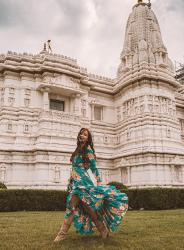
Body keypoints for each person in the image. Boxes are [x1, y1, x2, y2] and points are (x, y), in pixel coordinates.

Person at [54, 128, 128, 242]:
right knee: (88, 209)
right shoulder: (78, 149)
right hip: (76, 183)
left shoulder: (88, 150)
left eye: (85, 135)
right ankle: (103, 230)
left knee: (72, 206)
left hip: (83, 184)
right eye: (81, 134)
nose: (82, 136)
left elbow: (93, 168)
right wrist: (71, 181)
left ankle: (61, 235)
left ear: (88, 139)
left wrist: (98, 182)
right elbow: (75, 168)